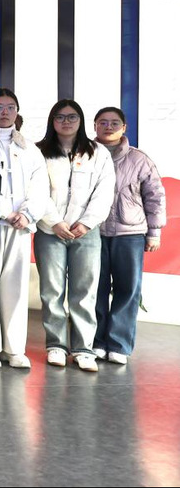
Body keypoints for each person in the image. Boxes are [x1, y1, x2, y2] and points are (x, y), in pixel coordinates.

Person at [0, 89, 48, 370]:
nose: (5, 112)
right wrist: (3, 211)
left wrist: (27, 214)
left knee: (15, 288)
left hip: (21, 227)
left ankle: (14, 348)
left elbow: (41, 186)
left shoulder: (30, 147)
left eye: (10, 107)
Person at [35, 100, 115, 372]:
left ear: (81, 121)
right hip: (50, 231)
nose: (66, 121)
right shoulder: (40, 152)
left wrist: (87, 223)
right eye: (59, 117)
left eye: (72, 117)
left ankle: (83, 349)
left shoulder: (98, 152)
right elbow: (36, 191)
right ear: (52, 121)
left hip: (86, 232)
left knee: (84, 291)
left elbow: (104, 191)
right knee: (52, 291)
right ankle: (56, 345)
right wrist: (54, 221)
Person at [93, 107, 165, 365]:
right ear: (94, 126)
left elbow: (155, 196)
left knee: (128, 289)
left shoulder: (139, 159)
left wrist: (154, 232)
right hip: (93, 231)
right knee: (95, 288)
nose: (108, 127)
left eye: (114, 123)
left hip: (130, 232)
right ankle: (96, 342)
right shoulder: (86, 154)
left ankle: (119, 345)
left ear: (124, 128)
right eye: (103, 122)